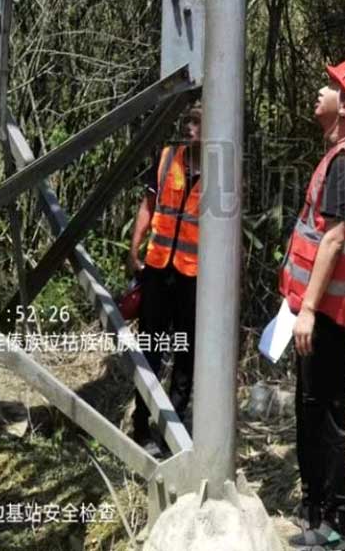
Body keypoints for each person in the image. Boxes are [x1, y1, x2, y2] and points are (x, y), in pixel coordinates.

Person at [278, 58, 345, 550]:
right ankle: (318, 506)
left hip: (324, 317)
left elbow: (334, 238)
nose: (319, 91)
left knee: (324, 414)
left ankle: (336, 523)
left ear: (344, 105)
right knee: (314, 408)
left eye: (332, 85)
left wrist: (309, 309)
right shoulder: (341, 157)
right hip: (321, 313)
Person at [128, 104, 202, 457]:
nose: (191, 129)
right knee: (151, 350)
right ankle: (141, 426)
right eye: (189, 121)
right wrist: (134, 248)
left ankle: (173, 429)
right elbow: (148, 205)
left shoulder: (223, 172)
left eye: (199, 123)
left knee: (186, 354)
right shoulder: (167, 157)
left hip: (193, 278)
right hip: (158, 270)